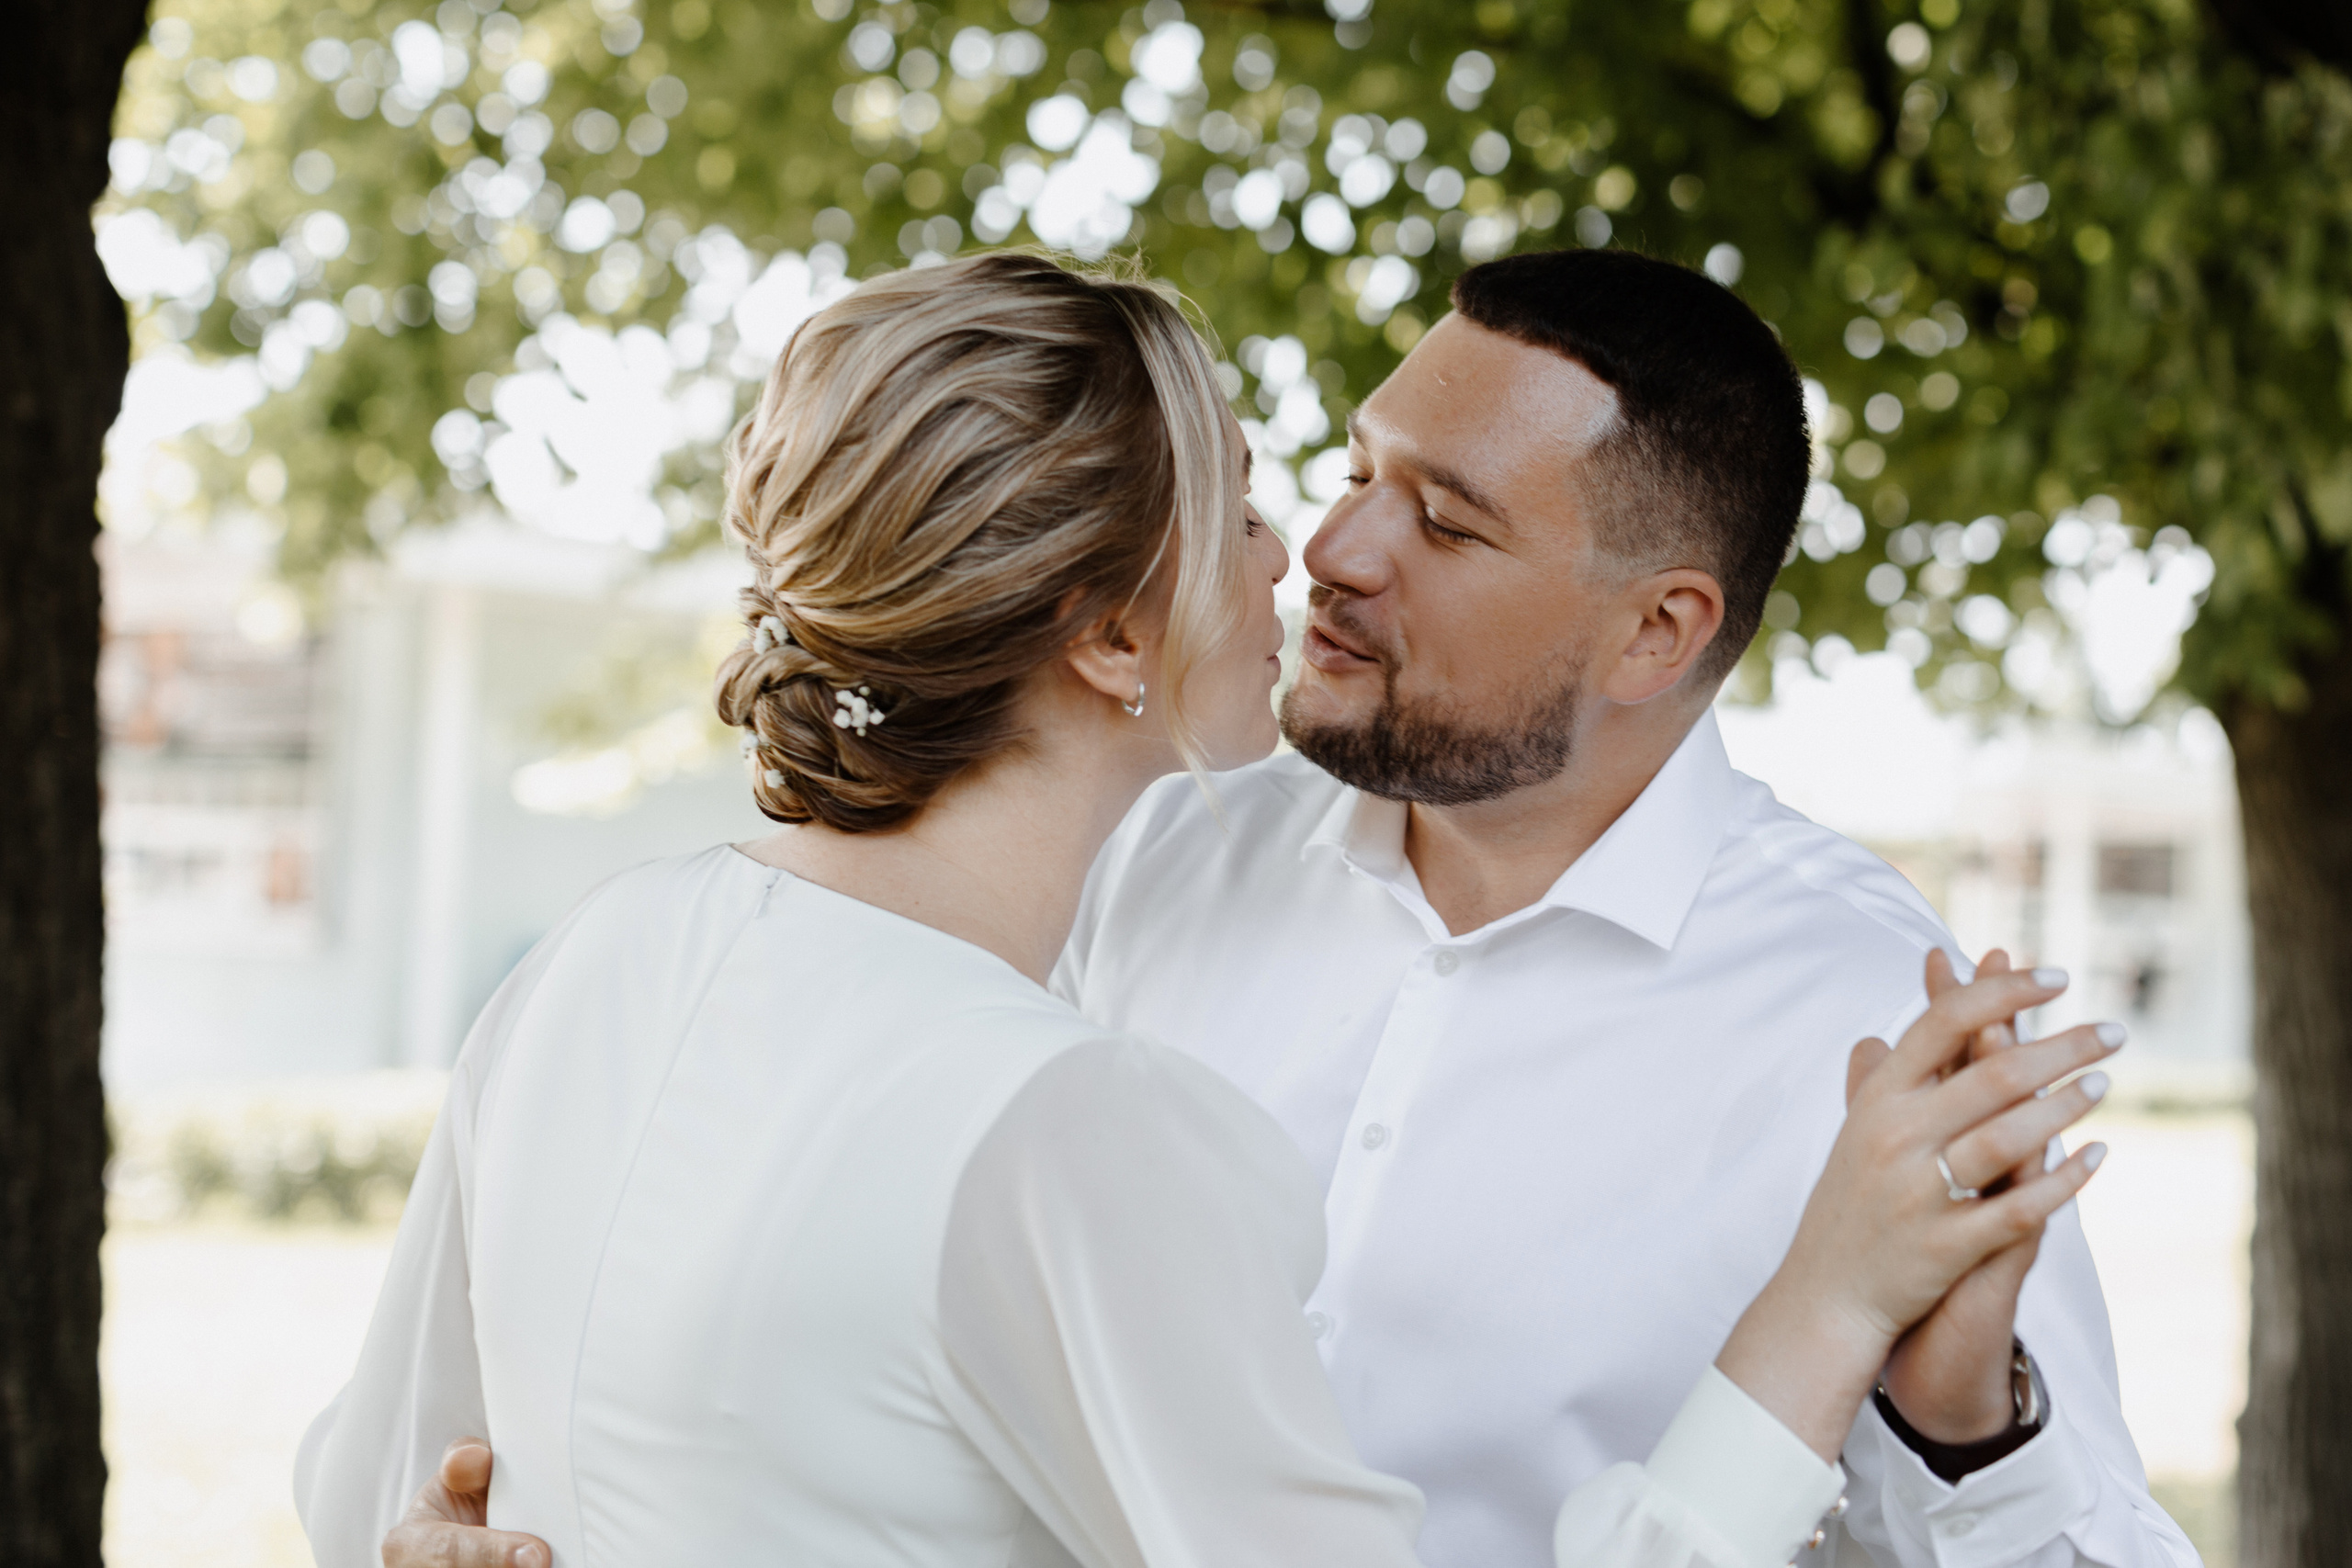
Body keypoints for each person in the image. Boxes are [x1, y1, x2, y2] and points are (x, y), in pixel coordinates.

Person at [297, 251, 2119, 1568]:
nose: (1324, 554)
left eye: (1442, 519)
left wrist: (1959, 1411)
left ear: (1659, 627)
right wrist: (1800, 1323)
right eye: (1322, 478)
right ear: (1097, 634)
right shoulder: (1128, 886)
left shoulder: (1861, 1014)